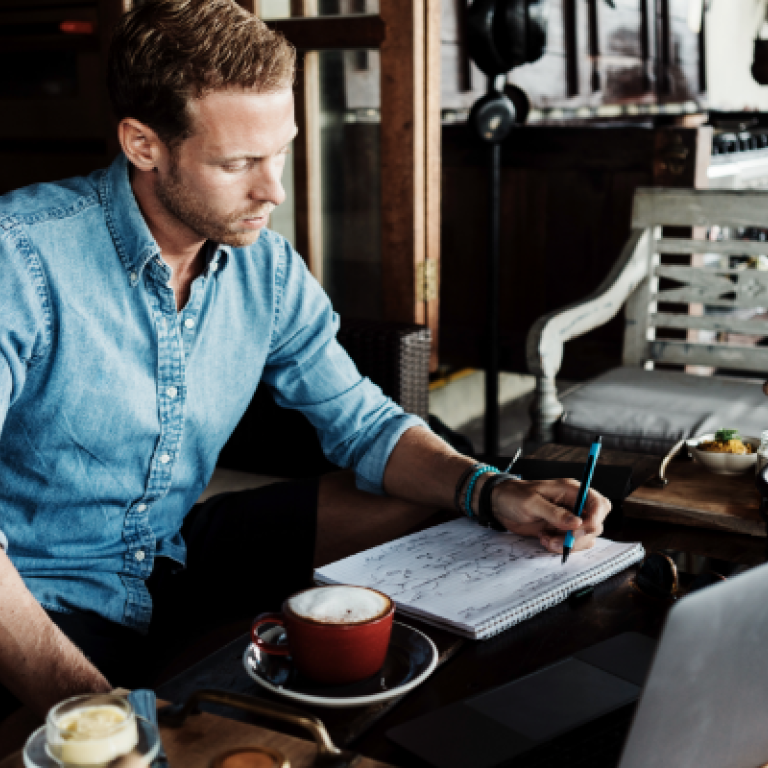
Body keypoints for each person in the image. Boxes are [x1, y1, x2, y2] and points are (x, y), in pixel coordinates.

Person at [0, 0, 610, 732]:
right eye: (238, 164)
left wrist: (494, 490)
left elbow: (364, 425)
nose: (274, 192)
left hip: (171, 548)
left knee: (446, 498)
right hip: (44, 587)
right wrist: (97, 714)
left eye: (280, 152)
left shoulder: (265, 268)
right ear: (143, 144)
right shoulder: (20, 256)